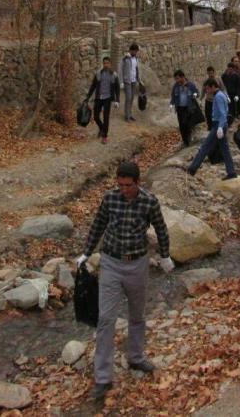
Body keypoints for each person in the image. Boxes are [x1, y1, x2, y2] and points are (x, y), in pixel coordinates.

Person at [77, 161, 174, 400]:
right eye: (120, 185)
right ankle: (102, 378)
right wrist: (87, 252)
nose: (124, 189)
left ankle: (136, 358)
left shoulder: (149, 201)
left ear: (138, 183)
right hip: (111, 262)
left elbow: (161, 229)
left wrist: (165, 256)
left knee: (137, 315)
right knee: (106, 319)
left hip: (138, 264)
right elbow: (98, 224)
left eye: (128, 186)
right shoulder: (110, 199)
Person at [186, 78, 237, 180]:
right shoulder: (220, 95)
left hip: (219, 124)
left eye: (208, 88)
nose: (207, 91)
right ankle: (231, 172)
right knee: (225, 149)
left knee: (206, 146)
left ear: (214, 87)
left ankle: (192, 168)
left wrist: (220, 128)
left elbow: (223, 114)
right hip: (220, 124)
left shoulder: (218, 97)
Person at [86, 56, 120, 144]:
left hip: (108, 98)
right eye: (104, 63)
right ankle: (101, 128)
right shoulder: (98, 74)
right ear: (102, 63)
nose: (106, 65)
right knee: (96, 116)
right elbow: (93, 86)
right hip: (99, 97)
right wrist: (88, 96)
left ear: (110, 64)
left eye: (107, 63)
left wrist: (117, 100)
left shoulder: (114, 75)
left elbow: (117, 88)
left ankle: (104, 136)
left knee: (106, 117)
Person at [169, 69, 199, 148]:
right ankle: (185, 141)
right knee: (181, 125)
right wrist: (171, 104)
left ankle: (188, 139)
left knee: (186, 123)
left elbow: (196, 91)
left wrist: (195, 94)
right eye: (176, 79)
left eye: (178, 78)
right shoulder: (176, 86)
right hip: (179, 108)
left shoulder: (190, 85)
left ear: (183, 77)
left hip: (188, 108)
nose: (177, 80)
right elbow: (173, 96)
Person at [119, 43, 140, 122]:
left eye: (136, 51)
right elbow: (120, 70)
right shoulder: (125, 59)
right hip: (127, 81)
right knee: (128, 98)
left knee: (131, 98)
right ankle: (126, 115)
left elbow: (136, 69)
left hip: (133, 80)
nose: (135, 53)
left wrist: (139, 79)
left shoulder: (136, 58)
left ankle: (130, 114)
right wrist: (121, 81)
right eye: (134, 51)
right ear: (131, 50)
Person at [200, 66, 222, 130]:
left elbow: (223, 88)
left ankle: (215, 127)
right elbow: (203, 90)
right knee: (208, 115)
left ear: (214, 72)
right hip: (208, 100)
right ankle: (209, 127)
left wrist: (226, 96)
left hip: (216, 100)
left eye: (211, 73)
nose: (210, 75)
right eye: (208, 73)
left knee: (215, 115)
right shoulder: (205, 80)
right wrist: (201, 99)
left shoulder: (218, 79)